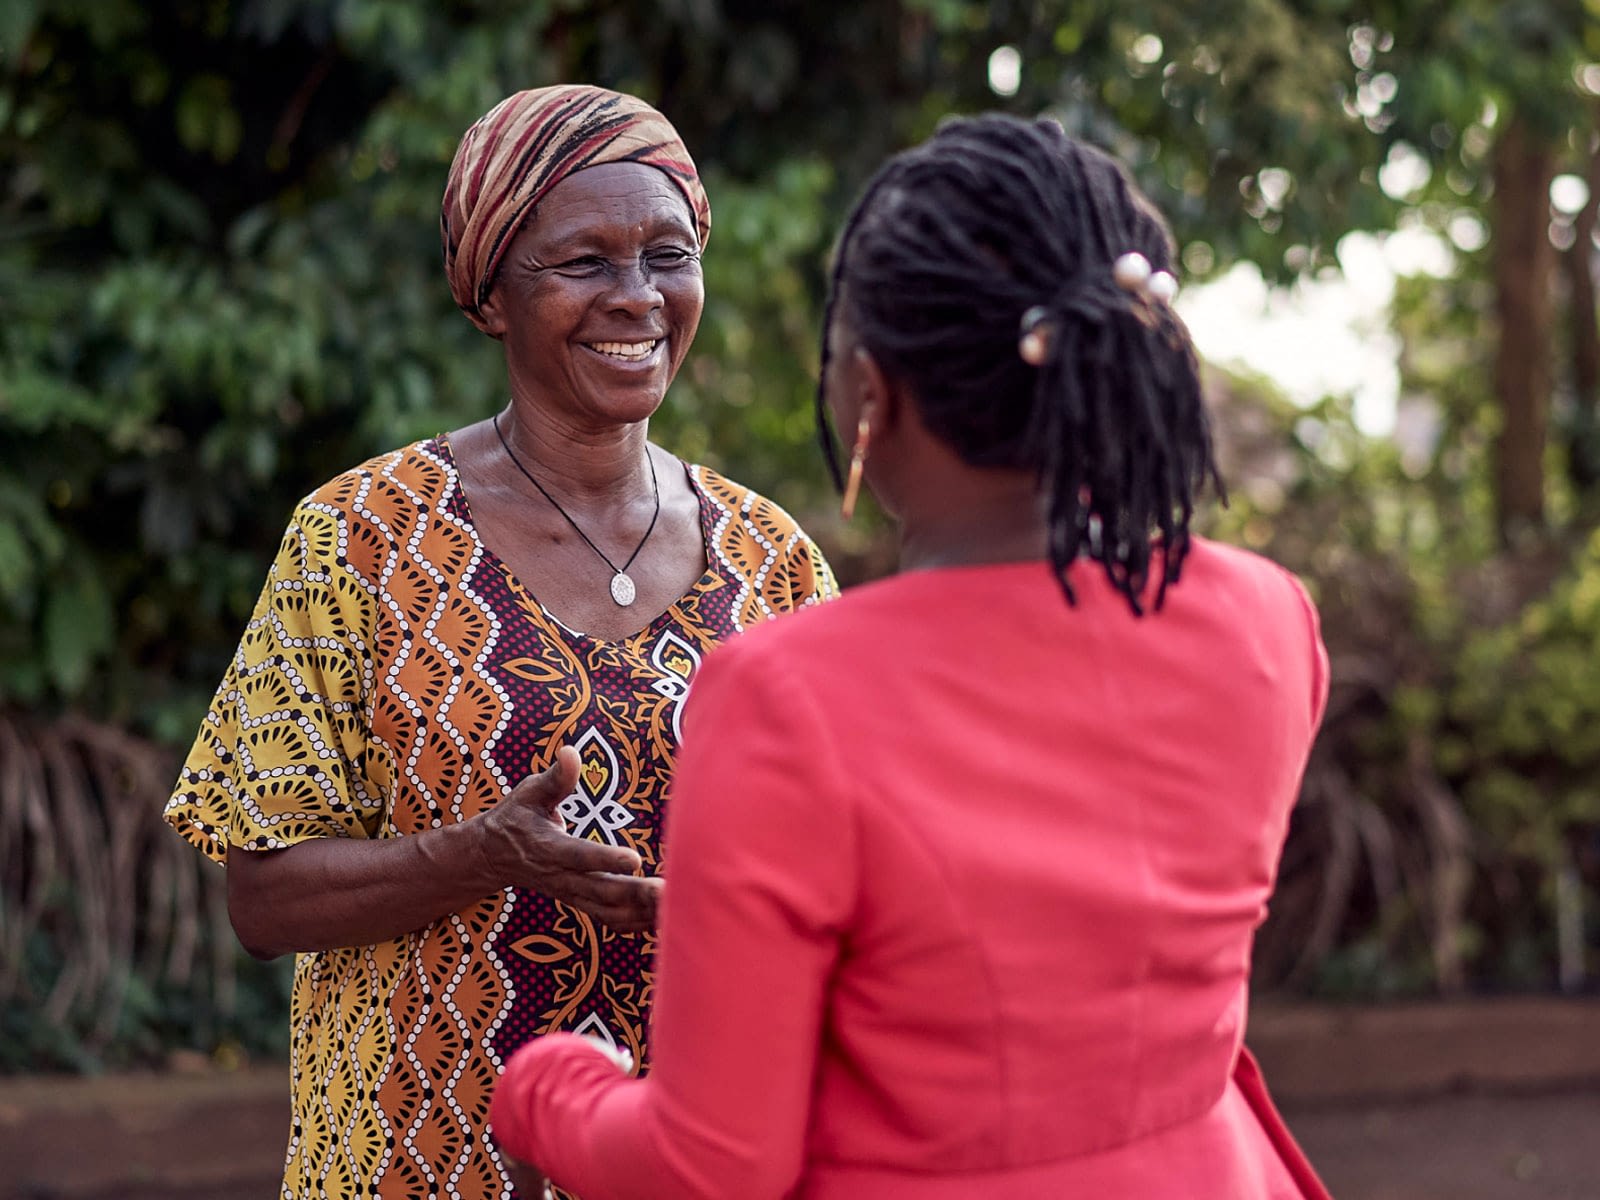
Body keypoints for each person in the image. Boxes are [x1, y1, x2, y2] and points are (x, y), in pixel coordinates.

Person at [489, 113, 1333, 1199]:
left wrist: (551, 1086)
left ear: (871, 396)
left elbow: (711, 1166)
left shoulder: (787, 696)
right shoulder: (1264, 620)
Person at [163, 84, 836, 1200]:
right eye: (584, 263)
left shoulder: (774, 561)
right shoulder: (361, 540)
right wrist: (475, 855)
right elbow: (264, 898)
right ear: (489, 297)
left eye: (668, 255)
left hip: (694, 1161)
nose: (638, 297)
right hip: (417, 1161)